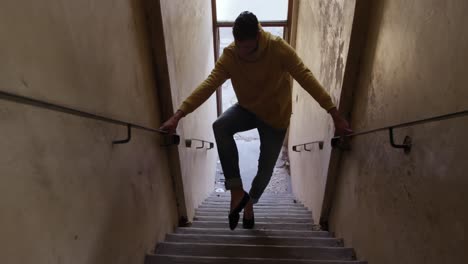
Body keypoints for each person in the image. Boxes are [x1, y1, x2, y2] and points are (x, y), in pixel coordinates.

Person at [160, 11, 352, 230]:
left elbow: (306, 77)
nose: (242, 53)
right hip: (248, 109)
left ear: (258, 38)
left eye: (247, 48)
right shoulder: (231, 55)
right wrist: (178, 116)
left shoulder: (277, 48)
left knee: (265, 169)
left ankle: (250, 204)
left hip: (275, 117)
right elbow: (208, 85)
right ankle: (236, 192)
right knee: (220, 126)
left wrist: (334, 114)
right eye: (238, 46)